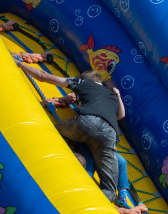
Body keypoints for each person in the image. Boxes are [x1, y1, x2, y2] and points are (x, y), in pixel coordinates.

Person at [16, 60, 125, 202]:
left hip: (88, 122)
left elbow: (43, 75)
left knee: (53, 132)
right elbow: (120, 116)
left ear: (84, 79)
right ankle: (91, 203)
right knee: (109, 189)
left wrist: (20, 64)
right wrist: (118, 96)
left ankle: (73, 157)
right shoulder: (111, 95)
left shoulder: (83, 82)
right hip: (109, 134)